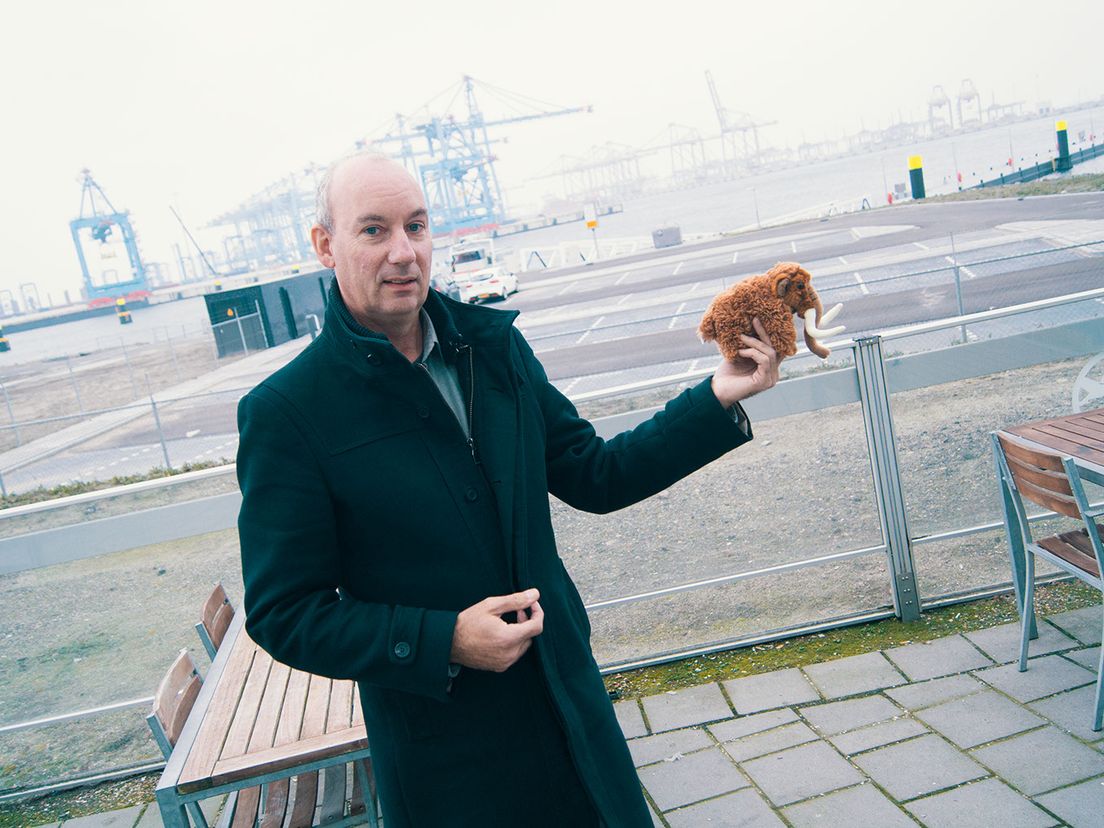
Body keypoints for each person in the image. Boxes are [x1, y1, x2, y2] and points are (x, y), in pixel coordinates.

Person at [237, 152, 781, 827]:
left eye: (416, 226)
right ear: (326, 245)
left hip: (568, 708)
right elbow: (285, 611)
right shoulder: (289, 412)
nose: (403, 252)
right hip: (449, 759)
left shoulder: (495, 351)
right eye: (373, 231)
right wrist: (442, 639)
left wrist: (716, 396)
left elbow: (595, 472)